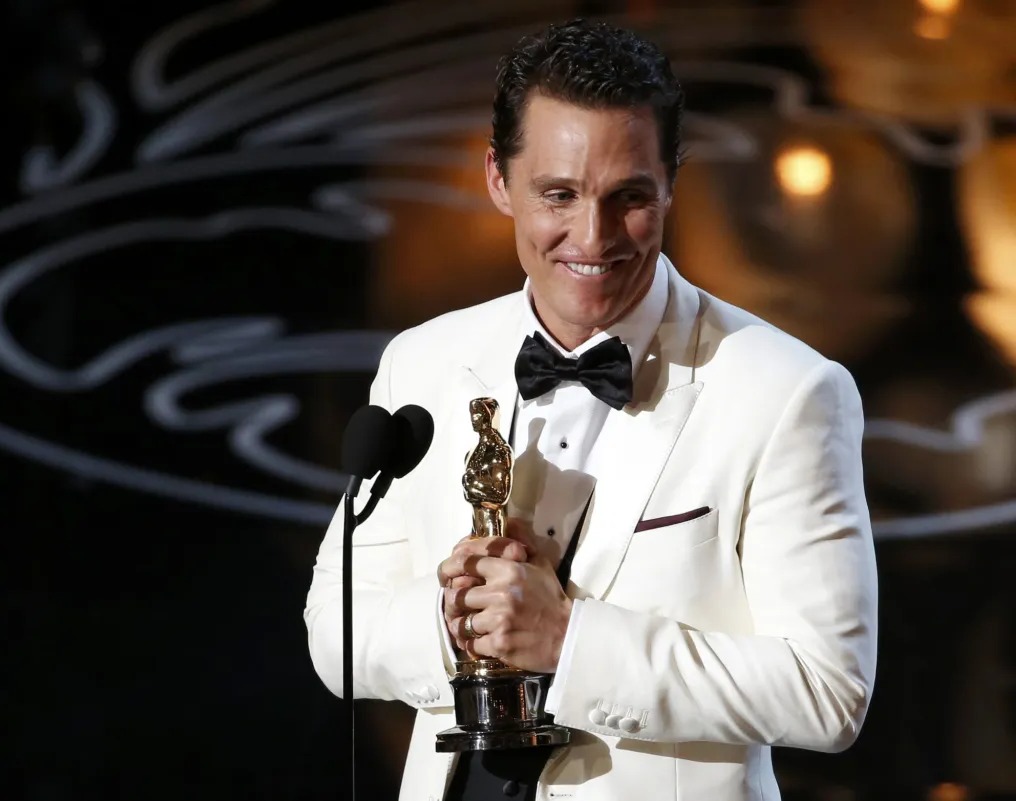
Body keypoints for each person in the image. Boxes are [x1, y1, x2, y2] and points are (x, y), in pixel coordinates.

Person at [304, 18, 878, 801]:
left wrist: (568, 639)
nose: (594, 235)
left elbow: (827, 690)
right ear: (498, 181)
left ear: (673, 182)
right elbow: (336, 634)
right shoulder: (423, 361)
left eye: (630, 197)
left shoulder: (787, 391)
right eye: (559, 194)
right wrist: (459, 622)